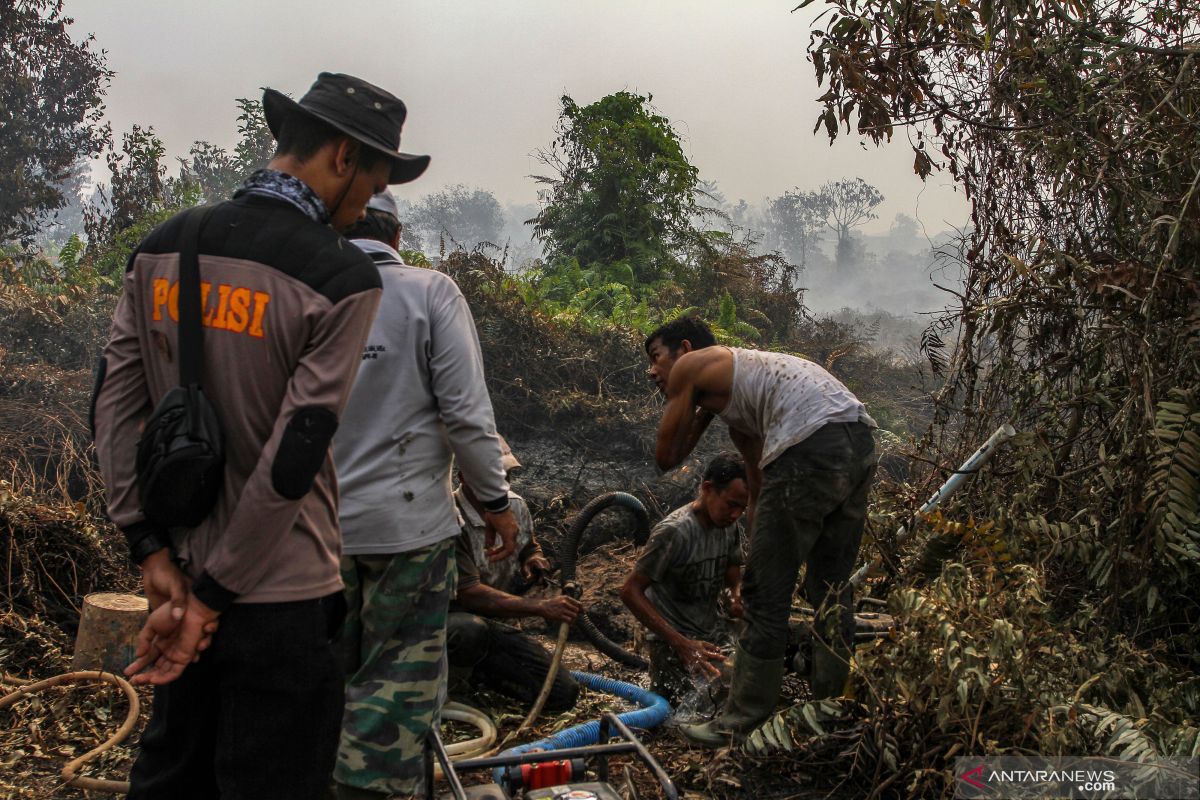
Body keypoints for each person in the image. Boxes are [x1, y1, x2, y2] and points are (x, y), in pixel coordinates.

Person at [93, 72, 427, 799]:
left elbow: (114, 407)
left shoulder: (163, 246)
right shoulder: (341, 279)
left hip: (177, 582)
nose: (364, 205)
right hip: (279, 599)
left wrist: (150, 552)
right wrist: (216, 597)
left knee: (173, 775)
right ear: (342, 157)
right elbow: (292, 459)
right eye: (370, 184)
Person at [332, 190, 518, 799]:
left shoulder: (301, 287)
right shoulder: (430, 291)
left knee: (325, 680)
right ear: (397, 234)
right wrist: (493, 505)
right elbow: (466, 414)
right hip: (407, 534)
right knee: (393, 692)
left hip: (309, 536)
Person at [641, 317, 876, 747]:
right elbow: (758, 494)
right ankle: (836, 711)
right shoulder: (743, 403)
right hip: (856, 439)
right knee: (831, 590)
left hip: (809, 441)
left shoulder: (692, 365)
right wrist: (757, 553)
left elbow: (665, 455)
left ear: (685, 348)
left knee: (765, 596)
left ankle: (741, 722)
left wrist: (693, 405)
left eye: (656, 357)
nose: (653, 372)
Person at [447, 445, 583, 712]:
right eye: (492, 477)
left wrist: (532, 558)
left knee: (562, 693)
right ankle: (454, 685)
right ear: (464, 477)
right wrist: (541, 607)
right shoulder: (450, 519)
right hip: (454, 624)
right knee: (470, 630)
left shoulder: (515, 506)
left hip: (500, 625)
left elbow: (527, 544)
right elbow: (469, 593)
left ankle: (485, 677)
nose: (502, 485)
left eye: (505, 477)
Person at [620, 454, 748, 708]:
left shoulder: (728, 525)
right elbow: (630, 591)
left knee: (754, 675)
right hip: (672, 641)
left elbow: (733, 566)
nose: (736, 514)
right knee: (708, 705)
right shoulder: (674, 532)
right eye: (731, 504)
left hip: (710, 630)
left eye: (743, 508)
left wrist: (735, 594)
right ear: (708, 489)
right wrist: (681, 644)